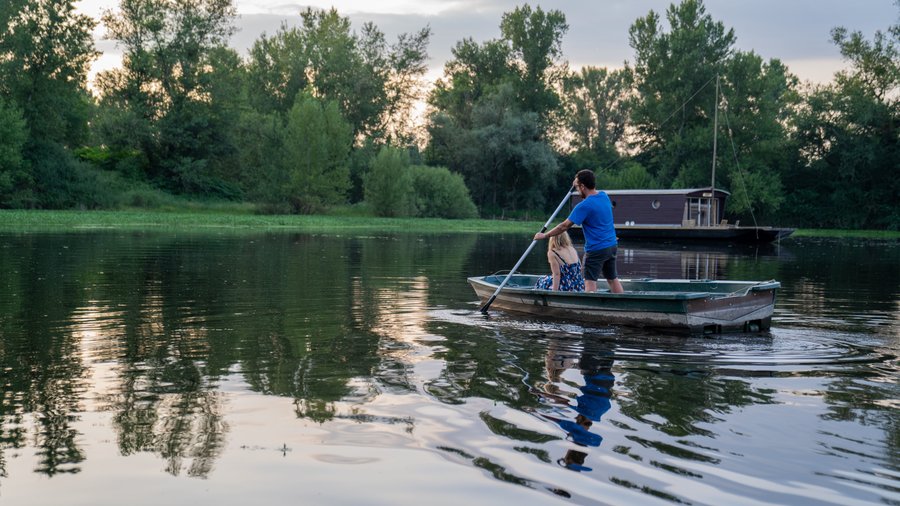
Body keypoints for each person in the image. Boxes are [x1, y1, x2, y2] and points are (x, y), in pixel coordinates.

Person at [534, 170, 624, 293]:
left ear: (582, 186)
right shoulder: (604, 196)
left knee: (589, 281)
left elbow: (564, 226)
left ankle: (589, 304)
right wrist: (577, 181)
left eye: (577, 187)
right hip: (612, 246)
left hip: (596, 249)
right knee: (612, 279)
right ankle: (621, 302)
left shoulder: (584, 206)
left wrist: (545, 235)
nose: (577, 190)